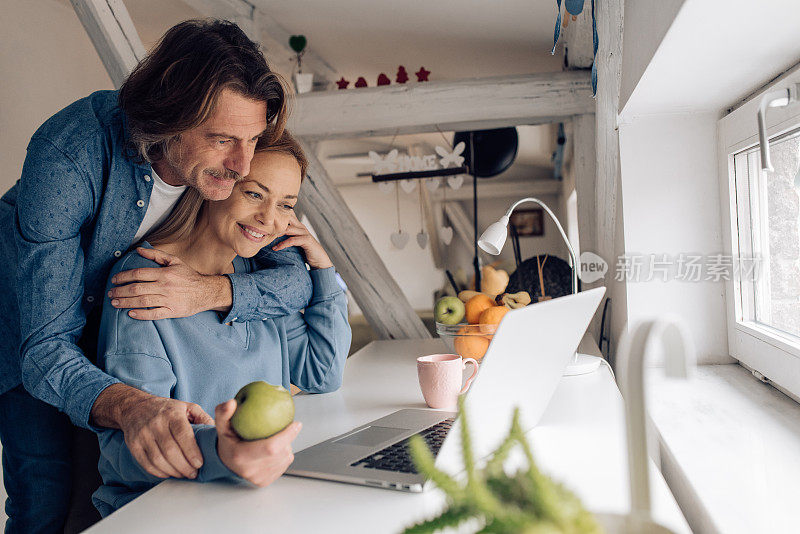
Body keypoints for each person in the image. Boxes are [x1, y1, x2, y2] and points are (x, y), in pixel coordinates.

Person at [0, 20, 313, 533]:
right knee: (46, 501)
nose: (242, 165)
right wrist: (131, 405)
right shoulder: (67, 156)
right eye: (223, 140)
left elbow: (295, 280)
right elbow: (44, 350)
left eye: (253, 140)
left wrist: (214, 291)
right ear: (171, 114)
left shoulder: (216, 169)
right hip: (27, 332)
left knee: (96, 498)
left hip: (111, 331)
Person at [92, 131, 350, 516]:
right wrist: (225, 454)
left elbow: (322, 372)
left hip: (256, 499)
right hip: (167, 512)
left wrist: (323, 269)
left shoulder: (259, 279)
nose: (269, 219)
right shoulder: (146, 280)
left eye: (286, 205)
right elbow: (134, 448)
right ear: (216, 184)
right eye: (254, 194)